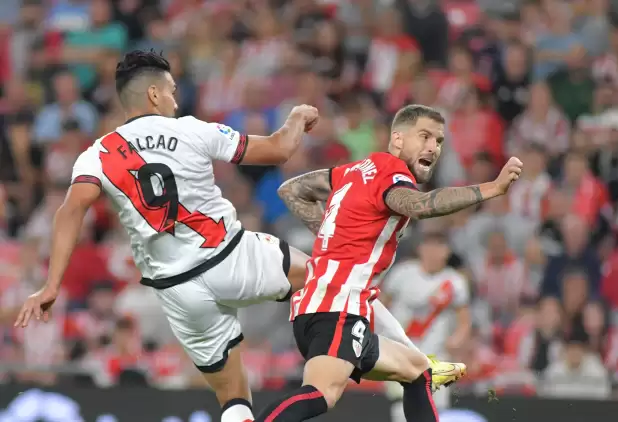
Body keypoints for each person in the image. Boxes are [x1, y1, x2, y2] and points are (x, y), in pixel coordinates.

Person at [12, 51, 458, 422]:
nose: (175, 99)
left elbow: (70, 212)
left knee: (233, 397)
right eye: (171, 90)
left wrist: (51, 285)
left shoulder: (97, 154)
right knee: (329, 275)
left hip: (178, 290)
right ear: (154, 93)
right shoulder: (191, 129)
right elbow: (279, 149)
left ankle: (388, 361)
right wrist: (297, 118)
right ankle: (414, 358)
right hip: (229, 256)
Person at [269, 104, 523, 421]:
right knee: (322, 394)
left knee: (418, 372)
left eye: (439, 141)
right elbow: (418, 206)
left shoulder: (355, 171)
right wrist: (492, 188)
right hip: (337, 309)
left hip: (326, 306)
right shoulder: (393, 174)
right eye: (424, 136)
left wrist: (333, 236)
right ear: (398, 139)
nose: (433, 147)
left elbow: (292, 190)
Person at [380, 231, 473, 422]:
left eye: (439, 246)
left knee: (436, 410)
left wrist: (457, 339)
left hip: (436, 355)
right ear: (420, 248)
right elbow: (381, 304)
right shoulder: (402, 273)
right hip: (402, 352)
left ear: (447, 251)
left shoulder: (455, 282)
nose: (433, 252)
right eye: (429, 246)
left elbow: (464, 321)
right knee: (400, 407)